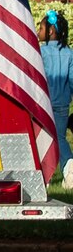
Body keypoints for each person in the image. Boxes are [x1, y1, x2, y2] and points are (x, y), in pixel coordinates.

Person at [41, 10, 73, 184]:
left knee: (43, 138)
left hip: (44, 104)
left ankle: (44, 176)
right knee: (60, 137)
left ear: (51, 31)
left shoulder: (41, 52)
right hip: (62, 104)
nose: (39, 32)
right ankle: (70, 170)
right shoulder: (69, 53)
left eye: (41, 28)